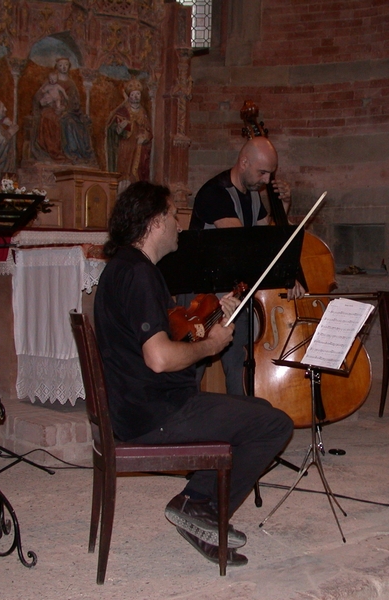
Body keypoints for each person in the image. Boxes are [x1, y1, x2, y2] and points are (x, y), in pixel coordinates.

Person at [94, 181, 294, 566]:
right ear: (153, 222)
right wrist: (212, 346)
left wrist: (213, 315)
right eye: (172, 215)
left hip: (141, 407)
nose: (178, 224)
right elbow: (159, 358)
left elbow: (166, 336)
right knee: (273, 424)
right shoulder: (139, 275)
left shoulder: (123, 267)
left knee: (245, 414)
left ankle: (199, 511)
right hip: (157, 414)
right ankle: (196, 503)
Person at [188, 136, 304, 395]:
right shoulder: (214, 193)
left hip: (233, 289)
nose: (267, 180)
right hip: (203, 292)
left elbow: (265, 239)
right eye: (262, 172)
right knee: (192, 364)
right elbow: (245, 248)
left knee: (239, 360)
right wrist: (283, 276)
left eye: (270, 174)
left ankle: (242, 417)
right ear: (244, 163)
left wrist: (282, 206)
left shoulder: (252, 196)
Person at [105, 79, 152, 191]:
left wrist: (145, 137)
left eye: (138, 94)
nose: (136, 97)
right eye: (133, 94)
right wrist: (121, 127)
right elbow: (113, 129)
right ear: (128, 96)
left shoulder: (143, 112)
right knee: (125, 175)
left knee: (138, 174)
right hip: (125, 148)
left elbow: (149, 130)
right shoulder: (122, 111)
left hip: (140, 148)